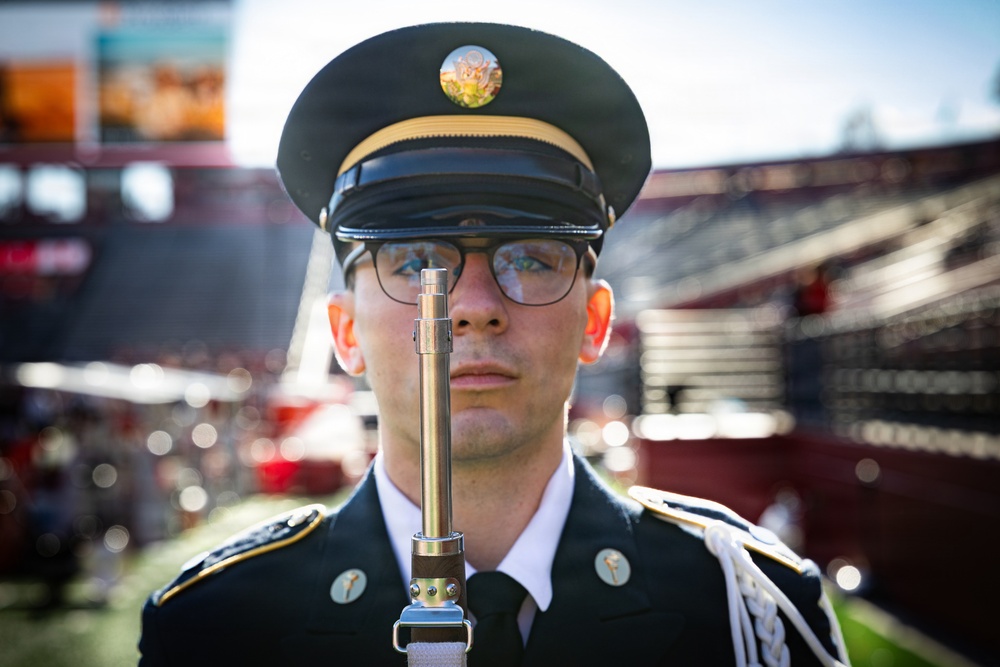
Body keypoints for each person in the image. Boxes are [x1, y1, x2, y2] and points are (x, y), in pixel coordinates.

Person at [138, 23, 850, 666]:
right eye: (416, 262)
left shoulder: (746, 614)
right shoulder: (215, 630)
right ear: (345, 333)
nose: (472, 308)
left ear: (594, 323)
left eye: (532, 257)